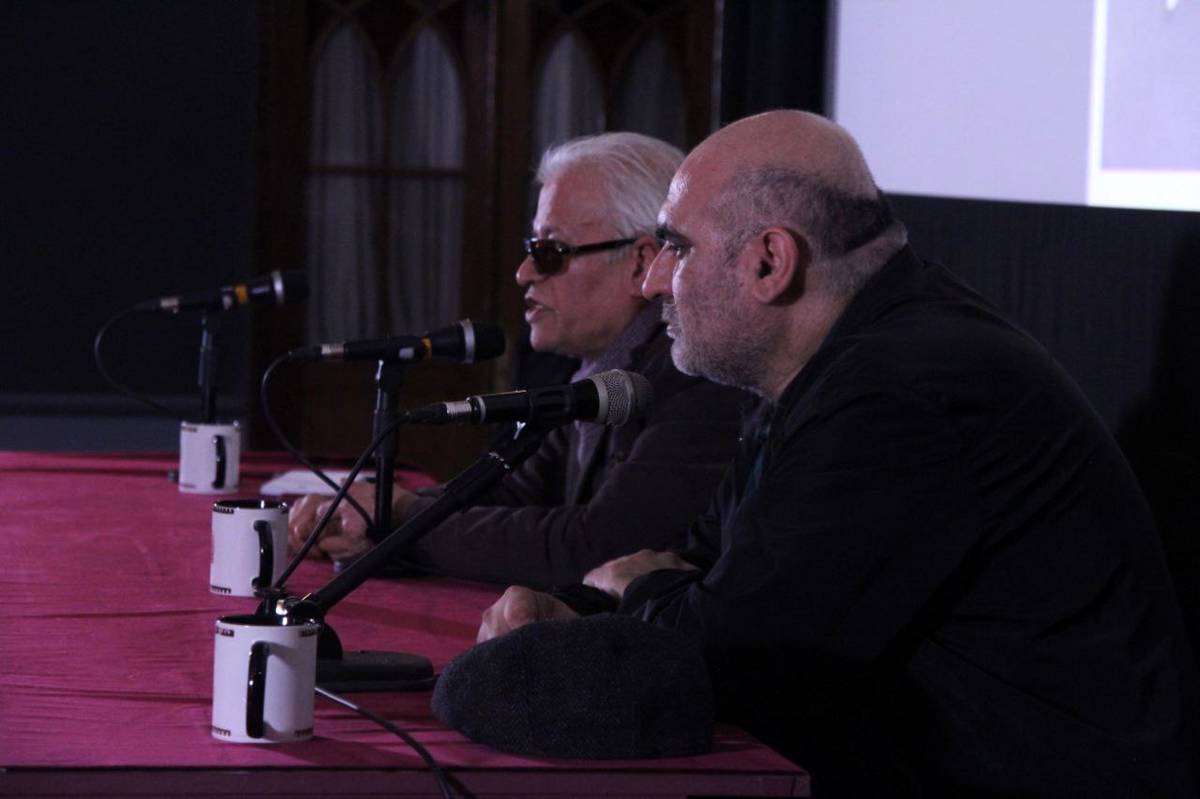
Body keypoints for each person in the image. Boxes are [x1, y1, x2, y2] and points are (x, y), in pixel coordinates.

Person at [475, 111, 1198, 795]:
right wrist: (573, 606)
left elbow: (738, 658)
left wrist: (633, 593)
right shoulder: (829, 368)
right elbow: (705, 564)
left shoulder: (902, 388)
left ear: (769, 262)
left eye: (677, 247)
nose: (654, 278)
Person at [288, 132, 749, 589]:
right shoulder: (603, 368)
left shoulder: (698, 377)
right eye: (531, 250)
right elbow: (511, 491)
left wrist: (400, 515)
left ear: (641, 262)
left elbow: (597, 547)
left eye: (549, 252)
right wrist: (372, 508)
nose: (523, 273)